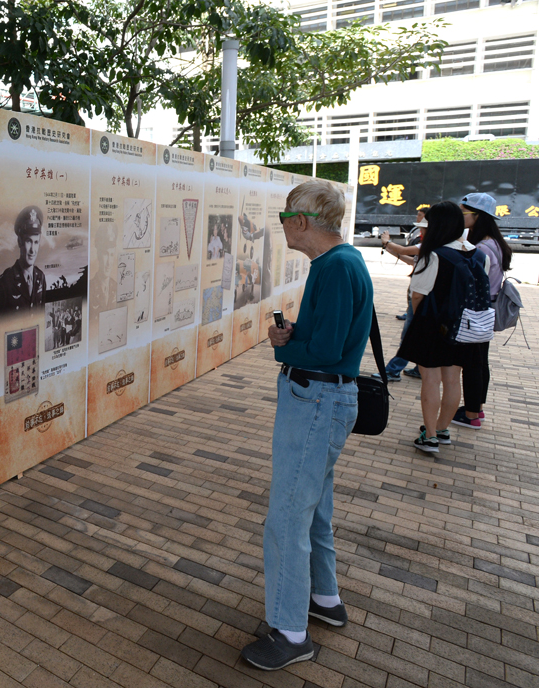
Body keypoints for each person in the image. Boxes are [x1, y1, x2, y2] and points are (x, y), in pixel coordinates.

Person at [240, 180, 373, 671]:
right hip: (324, 397)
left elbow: (327, 350)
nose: (282, 228)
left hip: (315, 398)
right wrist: (296, 335)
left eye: (283, 219)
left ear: (300, 221)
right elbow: (328, 338)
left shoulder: (335, 267)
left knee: (288, 517)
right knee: (313, 508)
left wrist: (283, 346)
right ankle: (324, 599)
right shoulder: (341, 261)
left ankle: (291, 631)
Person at [396, 201, 490, 452]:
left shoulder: (434, 255)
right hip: (465, 328)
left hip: (432, 326)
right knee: (452, 379)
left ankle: (429, 436)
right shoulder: (479, 254)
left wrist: (417, 322)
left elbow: (417, 295)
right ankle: (443, 428)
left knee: (431, 380)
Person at [452, 193, 512, 428]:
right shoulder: (494, 242)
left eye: (463, 212)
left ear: (478, 216)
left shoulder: (483, 249)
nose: (460, 217)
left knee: (472, 364)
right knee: (479, 361)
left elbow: (471, 284)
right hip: (486, 311)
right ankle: (477, 408)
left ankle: (471, 414)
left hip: (476, 312)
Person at [376, 214, 425, 381]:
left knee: (409, 335)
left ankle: (393, 370)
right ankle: (420, 368)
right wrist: (389, 248)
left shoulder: (431, 244)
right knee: (417, 335)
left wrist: (387, 242)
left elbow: (404, 251)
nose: (421, 227)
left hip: (420, 298)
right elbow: (411, 260)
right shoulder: (436, 244)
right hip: (420, 298)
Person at [0, 206, 46, 316]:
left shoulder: (40, 278)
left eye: (36, 242)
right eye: (29, 241)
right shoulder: (4, 283)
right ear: (19, 242)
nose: (33, 250)